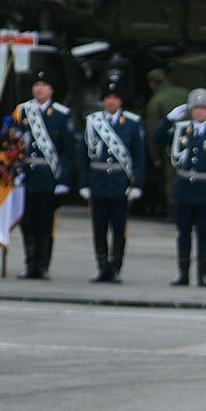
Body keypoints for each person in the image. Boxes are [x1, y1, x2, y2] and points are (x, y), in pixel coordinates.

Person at [154, 88, 206, 287]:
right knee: (183, 232)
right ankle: (183, 273)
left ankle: (202, 274)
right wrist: (168, 120)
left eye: (203, 109)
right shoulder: (181, 130)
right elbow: (158, 137)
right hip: (184, 188)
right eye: (195, 108)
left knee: (204, 233)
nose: (198, 112)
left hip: (205, 190)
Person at [79, 75, 146, 284]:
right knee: (98, 227)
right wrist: (83, 183)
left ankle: (115, 268)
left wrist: (137, 184)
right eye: (108, 98)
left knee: (118, 229)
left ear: (121, 101)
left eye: (115, 98)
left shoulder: (133, 123)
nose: (111, 102)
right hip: (98, 182)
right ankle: (102, 267)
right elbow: (83, 155)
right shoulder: (93, 122)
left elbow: (139, 156)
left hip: (120, 183)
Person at [13, 67, 74, 279]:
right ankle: (30, 263)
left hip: (49, 178)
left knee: (45, 223)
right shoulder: (21, 112)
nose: (39, 89)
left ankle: (43, 264)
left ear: (51, 90)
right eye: (36, 86)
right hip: (27, 177)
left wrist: (64, 179)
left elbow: (67, 152)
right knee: (27, 222)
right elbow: (11, 143)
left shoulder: (61, 115)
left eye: (44, 86)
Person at [143, 68, 190, 215]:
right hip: (192, 142)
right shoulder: (186, 92)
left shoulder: (156, 101)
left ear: (151, 84)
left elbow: (152, 132)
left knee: (172, 177)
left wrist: (155, 157)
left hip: (171, 145)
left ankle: (174, 208)